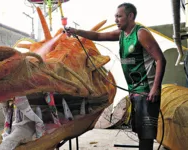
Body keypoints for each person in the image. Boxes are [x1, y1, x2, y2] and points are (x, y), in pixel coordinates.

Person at [66, 2, 166, 150]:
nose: (116, 20)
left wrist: (155, 88)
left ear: (130, 16)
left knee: (146, 134)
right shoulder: (121, 35)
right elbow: (99, 35)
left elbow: (160, 59)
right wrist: (77, 31)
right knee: (140, 131)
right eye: (115, 16)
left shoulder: (141, 33)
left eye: (119, 16)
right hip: (134, 90)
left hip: (147, 90)